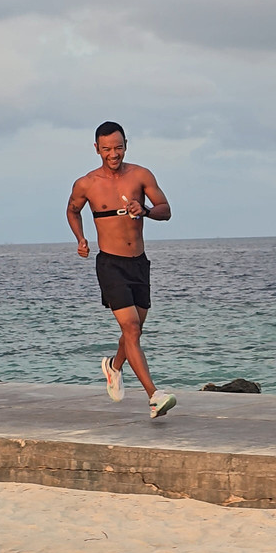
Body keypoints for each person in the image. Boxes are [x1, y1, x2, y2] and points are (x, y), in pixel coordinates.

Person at [66, 121, 177, 418]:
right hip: (110, 263)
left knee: (135, 330)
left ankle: (114, 367)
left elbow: (166, 209)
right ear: (96, 149)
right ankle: (154, 395)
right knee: (130, 328)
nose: (112, 154)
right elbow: (73, 210)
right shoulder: (86, 183)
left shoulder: (141, 175)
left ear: (126, 144)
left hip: (139, 264)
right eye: (106, 149)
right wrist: (80, 238)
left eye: (118, 147)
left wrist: (147, 211)